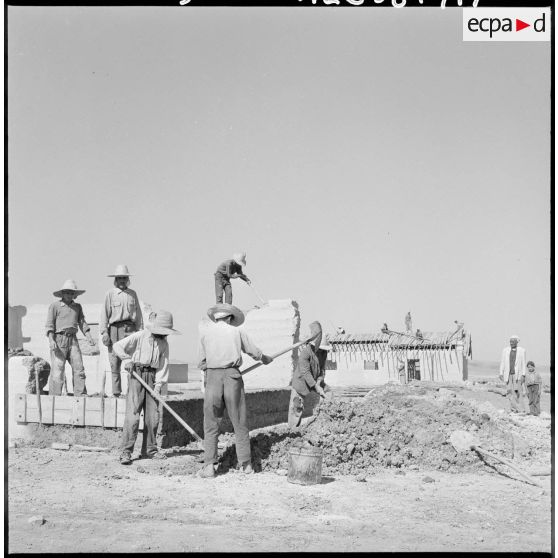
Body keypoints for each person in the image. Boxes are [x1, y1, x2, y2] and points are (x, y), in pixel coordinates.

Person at [197, 303, 273, 478]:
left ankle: (209, 466)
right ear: (230, 318)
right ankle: (246, 465)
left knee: (211, 424)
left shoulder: (206, 334)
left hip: (212, 379)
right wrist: (264, 358)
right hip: (233, 377)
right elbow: (254, 352)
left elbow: (201, 363)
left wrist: (213, 371)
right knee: (239, 421)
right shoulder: (236, 332)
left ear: (216, 318)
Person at [112, 310, 181, 464]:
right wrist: (127, 360)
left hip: (152, 377)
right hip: (136, 375)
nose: (164, 335)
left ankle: (149, 450)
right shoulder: (140, 336)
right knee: (133, 416)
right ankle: (126, 452)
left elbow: (163, 365)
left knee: (153, 417)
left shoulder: (164, 343)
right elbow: (117, 346)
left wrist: (158, 386)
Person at [45, 279, 96, 396]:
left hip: (73, 340)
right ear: (62, 293)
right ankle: (55, 396)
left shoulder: (77, 307)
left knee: (79, 368)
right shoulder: (55, 306)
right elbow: (49, 325)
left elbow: (82, 322)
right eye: (66, 292)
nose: (69, 295)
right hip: (59, 340)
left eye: (71, 293)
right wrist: (51, 340)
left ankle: (81, 394)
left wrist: (88, 336)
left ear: (75, 295)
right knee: (58, 370)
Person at [99, 265, 143, 398]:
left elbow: (138, 314)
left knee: (131, 361)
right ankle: (116, 392)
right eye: (120, 278)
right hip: (114, 330)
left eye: (124, 278)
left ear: (128, 279)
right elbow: (104, 315)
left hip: (130, 329)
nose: (122, 280)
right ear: (116, 280)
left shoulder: (132, 294)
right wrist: (104, 332)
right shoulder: (110, 294)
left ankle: (132, 392)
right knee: (114, 362)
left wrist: (140, 332)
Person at [288, 321, 327, 429]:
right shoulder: (306, 352)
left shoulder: (324, 353)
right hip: (301, 381)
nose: (322, 351)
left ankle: (326, 419)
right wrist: (316, 386)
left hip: (315, 379)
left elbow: (322, 369)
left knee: (328, 392)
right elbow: (305, 372)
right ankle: (292, 430)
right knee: (297, 406)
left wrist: (319, 382)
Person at [499, 334, 527, 413]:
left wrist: (523, 375)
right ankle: (511, 409)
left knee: (517, 391)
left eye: (513, 342)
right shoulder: (505, 350)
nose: (511, 343)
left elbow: (524, 363)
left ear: (517, 342)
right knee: (509, 391)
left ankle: (519, 409)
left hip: (517, 374)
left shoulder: (522, 350)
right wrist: (501, 373)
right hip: (508, 374)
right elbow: (502, 362)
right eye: (510, 341)